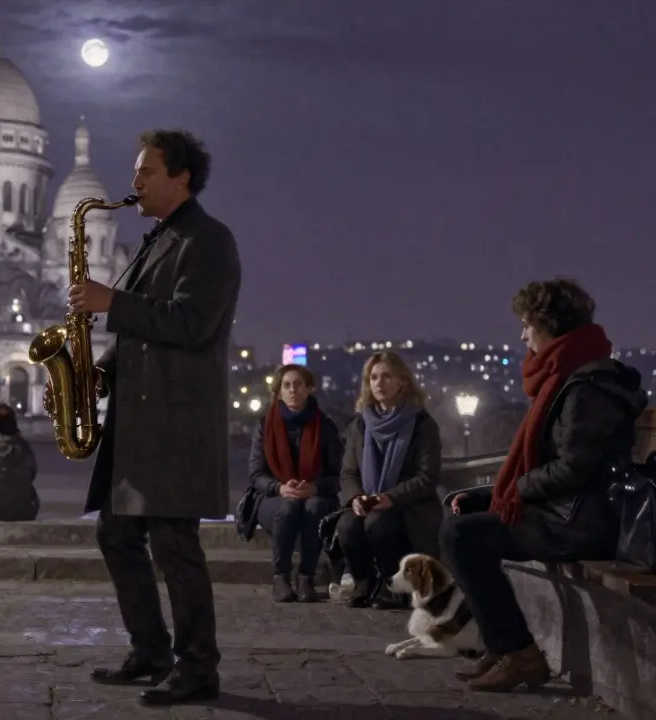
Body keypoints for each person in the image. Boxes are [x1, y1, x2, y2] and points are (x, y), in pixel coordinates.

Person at [65, 128, 240, 706]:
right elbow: (144, 334)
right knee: (115, 533)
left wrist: (111, 302)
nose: (133, 182)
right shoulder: (157, 240)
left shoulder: (209, 241)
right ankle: (150, 650)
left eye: (146, 172)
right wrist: (97, 372)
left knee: (174, 546)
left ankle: (197, 668)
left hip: (174, 424)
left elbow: (193, 324)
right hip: (139, 422)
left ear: (181, 177)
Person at [442, 279, 646, 692]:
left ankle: (520, 655)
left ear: (549, 325)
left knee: (461, 535)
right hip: (567, 509)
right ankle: (505, 647)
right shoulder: (570, 373)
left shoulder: (588, 387)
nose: (522, 335)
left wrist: (515, 490)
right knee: (460, 515)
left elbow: (574, 468)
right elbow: (551, 464)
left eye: (526, 325)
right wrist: (490, 494)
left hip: (582, 522)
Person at [335, 351, 443, 610]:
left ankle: (392, 587)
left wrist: (390, 498)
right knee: (347, 525)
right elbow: (348, 473)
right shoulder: (360, 425)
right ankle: (363, 583)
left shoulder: (422, 424)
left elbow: (426, 477)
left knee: (379, 523)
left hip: (409, 506)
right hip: (369, 501)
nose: (379, 383)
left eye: (386, 376)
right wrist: (356, 497)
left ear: (402, 382)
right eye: (373, 377)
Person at [245, 364, 343, 603]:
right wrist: (279, 488)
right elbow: (256, 475)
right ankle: (280, 577)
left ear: (309, 389)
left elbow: (338, 475)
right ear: (278, 392)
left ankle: (306, 577)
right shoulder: (265, 425)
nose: (292, 390)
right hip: (273, 496)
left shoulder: (325, 426)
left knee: (314, 507)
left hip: (316, 494)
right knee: (288, 507)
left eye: (298, 384)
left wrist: (314, 487)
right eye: (286, 386)